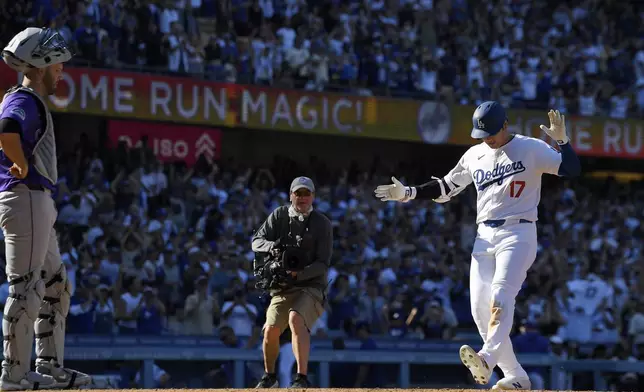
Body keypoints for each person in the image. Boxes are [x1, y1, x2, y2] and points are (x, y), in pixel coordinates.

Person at [374, 101, 581, 390]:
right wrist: (409, 192)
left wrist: (562, 141)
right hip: (484, 236)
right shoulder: (475, 154)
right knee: (479, 310)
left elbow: (572, 169)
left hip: (518, 233)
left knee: (500, 295)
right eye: (483, 133)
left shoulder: (530, 148)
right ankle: (517, 376)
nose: (488, 138)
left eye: (492, 132)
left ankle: (486, 358)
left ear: (506, 124)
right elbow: (446, 187)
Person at [0, 27, 91, 390]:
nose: (61, 71)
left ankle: (48, 365)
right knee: (26, 287)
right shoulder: (24, 98)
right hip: (26, 197)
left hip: (34, 200)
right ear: (38, 65)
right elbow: (7, 129)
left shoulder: (29, 99)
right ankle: (14, 374)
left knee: (56, 283)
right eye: (56, 64)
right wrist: (19, 161)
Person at [252, 176, 332, 388]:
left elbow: (323, 264)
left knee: (296, 318)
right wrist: (272, 247)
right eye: (298, 193)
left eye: (307, 193)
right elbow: (256, 242)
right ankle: (269, 377)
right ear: (291, 195)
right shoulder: (279, 215)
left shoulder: (322, 223)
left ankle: (301, 378)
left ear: (313, 196)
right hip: (283, 285)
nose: (302, 197)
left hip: (311, 285)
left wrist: (300, 274)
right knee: (270, 329)